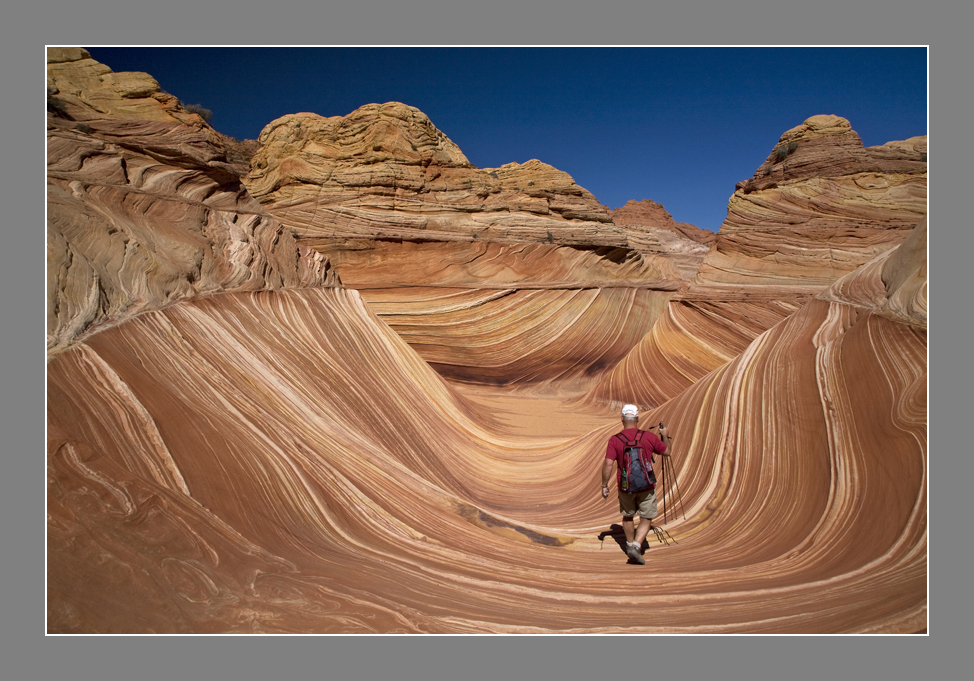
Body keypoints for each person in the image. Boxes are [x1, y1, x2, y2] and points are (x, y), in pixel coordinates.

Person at [600, 404, 672, 565]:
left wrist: (604, 485)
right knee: (647, 516)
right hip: (647, 485)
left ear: (622, 419)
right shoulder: (648, 437)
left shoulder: (615, 439)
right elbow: (667, 451)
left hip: (625, 486)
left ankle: (629, 544)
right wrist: (665, 435)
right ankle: (637, 545)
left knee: (628, 515)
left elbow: (608, 463)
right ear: (638, 418)